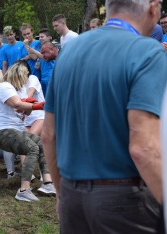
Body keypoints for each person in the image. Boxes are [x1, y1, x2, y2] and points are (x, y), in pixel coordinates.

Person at [41, 0, 165, 233]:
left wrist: (61, 195)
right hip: (126, 202)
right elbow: (144, 149)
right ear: (153, 7)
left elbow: (48, 135)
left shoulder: (68, 52)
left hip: (72, 196)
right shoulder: (148, 51)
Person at [0, 62, 53, 202]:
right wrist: (38, 105)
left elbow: (26, 112)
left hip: (14, 129)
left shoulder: (18, 91)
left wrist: (29, 104)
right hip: (1, 130)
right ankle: (24, 190)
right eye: (25, 76)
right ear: (18, 75)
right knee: (32, 148)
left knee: (41, 144)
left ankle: (48, 183)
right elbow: (16, 104)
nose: (26, 80)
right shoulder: (5, 86)